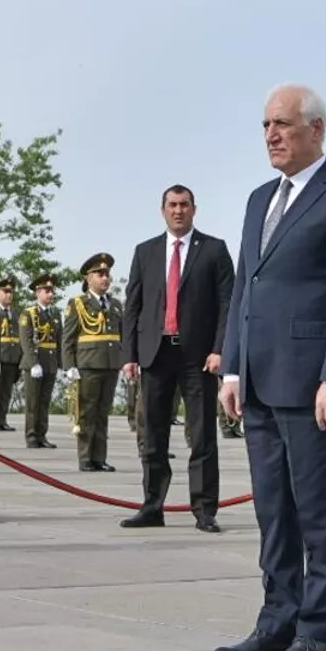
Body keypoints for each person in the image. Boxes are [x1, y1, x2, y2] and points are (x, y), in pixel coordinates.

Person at [215, 84, 326, 651]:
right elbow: (246, 289)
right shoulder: (261, 198)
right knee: (272, 512)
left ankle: (318, 627)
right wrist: (232, 365)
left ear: (317, 130)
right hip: (258, 381)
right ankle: (275, 620)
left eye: (282, 124)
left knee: (316, 509)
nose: (271, 136)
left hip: (312, 386)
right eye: (265, 126)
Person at [121, 185, 235, 533]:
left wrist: (220, 350)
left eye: (184, 205)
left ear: (194, 210)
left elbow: (227, 306)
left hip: (197, 357)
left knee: (201, 436)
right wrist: (130, 355)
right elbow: (133, 307)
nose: (178, 211)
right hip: (155, 354)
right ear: (163, 210)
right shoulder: (146, 252)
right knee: (152, 434)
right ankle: (152, 506)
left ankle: (204, 510)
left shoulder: (214, 250)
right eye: (172, 205)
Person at [62, 254, 125, 471]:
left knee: (102, 413)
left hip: (110, 364)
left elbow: (122, 336)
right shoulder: (78, 304)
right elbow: (68, 338)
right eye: (100, 274)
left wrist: (125, 361)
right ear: (89, 278)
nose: (105, 278)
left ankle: (100, 457)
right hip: (88, 365)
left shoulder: (115, 305)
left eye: (107, 274)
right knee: (87, 413)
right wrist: (70, 366)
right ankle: (86, 457)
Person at [21, 274, 60, 448]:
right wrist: (33, 363)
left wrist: (62, 363)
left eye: (52, 291)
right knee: (33, 402)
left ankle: (42, 435)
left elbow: (59, 339)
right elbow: (26, 340)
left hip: (50, 361)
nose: (50, 294)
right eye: (46, 291)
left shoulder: (55, 313)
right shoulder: (28, 314)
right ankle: (31, 435)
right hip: (35, 362)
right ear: (38, 292)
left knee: (44, 402)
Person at [0, 276, 24, 432]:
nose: (9, 295)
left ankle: (2, 419)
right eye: (6, 291)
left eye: (11, 292)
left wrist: (20, 358)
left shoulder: (15, 313)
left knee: (6, 391)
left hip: (13, 356)